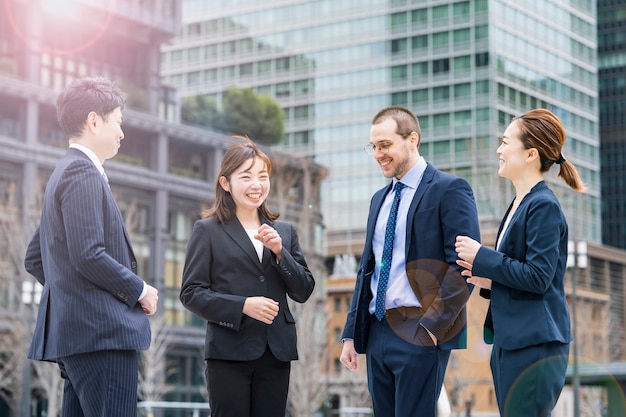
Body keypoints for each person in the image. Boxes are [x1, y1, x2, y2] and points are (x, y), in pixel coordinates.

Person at [24, 77, 159, 417]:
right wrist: (138, 289)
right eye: (118, 122)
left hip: (80, 338)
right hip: (102, 338)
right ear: (94, 121)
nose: (122, 133)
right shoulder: (82, 173)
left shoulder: (65, 172)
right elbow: (88, 254)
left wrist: (75, 298)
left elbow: (36, 257)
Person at [340, 106, 481, 416]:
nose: (378, 154)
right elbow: (368, 270)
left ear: (412, 139)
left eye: (385, 145)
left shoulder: (449, 189)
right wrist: (351, 334)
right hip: (377, 331)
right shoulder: (379, 199)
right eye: (373, 147)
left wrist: (432, 328)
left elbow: (464, 267)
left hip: (420, 328)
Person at [455, 108, 585, 417]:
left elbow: (539, 277)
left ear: (531, 154)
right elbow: (524, 272)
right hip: (511, 342)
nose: (499, 150)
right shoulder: (519, 204)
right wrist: (489, 279)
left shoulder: (543, 207)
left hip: (534, 345)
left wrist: (483, 257)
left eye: (505, 142)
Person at [179, 138, 315, 417]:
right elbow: (191, 292)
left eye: (262, 177)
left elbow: (304, 290)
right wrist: (242, 305)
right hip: (228, 352)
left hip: (276, 351)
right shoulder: (207, 231)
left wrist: (280, 254)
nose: (257, 185)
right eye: (246, 176)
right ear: (226, 183)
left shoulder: (285, 232)